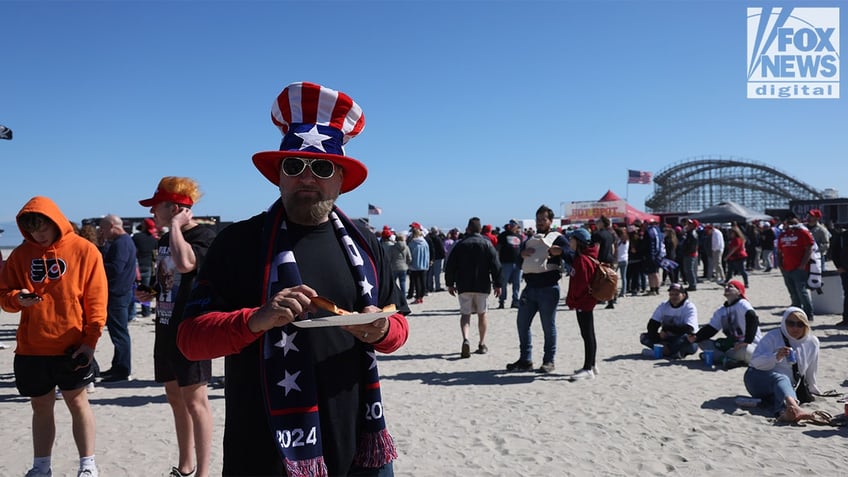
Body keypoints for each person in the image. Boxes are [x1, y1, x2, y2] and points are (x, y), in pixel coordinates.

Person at [175, 81, 409, 476]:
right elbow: (190, 340)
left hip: (358, 440)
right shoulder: (238, 242)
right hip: (266, 449)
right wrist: (255, 319)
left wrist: (382, 330)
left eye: (321, 167)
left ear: (340, 179)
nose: (307, 178)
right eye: (294, 165)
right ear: (278, 175)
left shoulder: (365, 242)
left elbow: (399, 319)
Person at [0, 196, 108, 477]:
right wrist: (17, 299)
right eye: (32, 230)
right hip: (32, 347)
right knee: (40, 406)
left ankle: (88, 466)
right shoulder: (21, 255)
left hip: (71, 345)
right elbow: (4, 296)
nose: (39, 235)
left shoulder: (85, 250)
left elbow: (96, 301)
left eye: (43, 228)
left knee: (78, 402)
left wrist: (90, 342)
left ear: (55, 221)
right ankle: (41, 466)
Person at [136, 177, 217, 477]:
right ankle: (185, 465)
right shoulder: (163, 240)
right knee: (174, 397)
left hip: (191, 330)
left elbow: (186, 265)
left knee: (196, 402)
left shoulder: (204, 236)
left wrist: (176, 229)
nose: (153, 213)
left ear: (174, 209)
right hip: (165, 325)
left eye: (156, 208)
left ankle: (203, 472)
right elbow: (169, 278)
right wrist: (153, 291)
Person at [506, 205, 570, 373]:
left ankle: (549, 361)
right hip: (530, 287)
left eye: (544, 219)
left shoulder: (558, 238)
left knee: (548, 326)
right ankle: (525, 360)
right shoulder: (530, 239)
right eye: (538, 219)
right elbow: (520, 263)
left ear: (550, 221)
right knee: (522, 324)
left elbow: (572, 255)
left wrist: (560, 251)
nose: (540, 222)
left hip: (549, 288)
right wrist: (522, 254)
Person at [744, 307, 820, 422]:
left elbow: (811, 368)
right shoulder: (773, 336)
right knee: (781, 378)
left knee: (782, 388)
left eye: (800, 324)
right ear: (784, 323)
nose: (795, 328)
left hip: (785, 386)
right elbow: (755, 363)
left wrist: (812, 388)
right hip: (756, 378)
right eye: (790, 323)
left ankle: (784, 413)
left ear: (806, 325)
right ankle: (795, 408)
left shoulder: (812, 342)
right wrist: (775, 357)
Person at [444, 217, 502, 358]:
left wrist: (450, 283)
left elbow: (450, 265)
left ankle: (466, 339)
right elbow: (496, 265)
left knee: (465, 315)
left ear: (468, 229)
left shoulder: (461, 244)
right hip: (482, 284)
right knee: (482, 314)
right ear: (480, 229)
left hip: (464, 284)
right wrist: (498, 283)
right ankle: (482, 343)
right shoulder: (487, 244)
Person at [98, 214, 137, 382]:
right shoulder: (122, 242)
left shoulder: (121, 242)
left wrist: (96, 265)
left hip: (118, 293)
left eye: (104, 228)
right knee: (118, 332)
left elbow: (115, 267)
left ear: (113, 226)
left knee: (119, 333)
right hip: (120, 292)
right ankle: (118, 366)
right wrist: (102, 246)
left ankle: (122, 370)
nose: (102, 231)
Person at [689, 280, 762, 368]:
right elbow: (711, 328)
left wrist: (747, 341)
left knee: (747, 351)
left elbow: (752, 317)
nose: (726, 288)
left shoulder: (742, 303)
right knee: (702, 342)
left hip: (749, 345)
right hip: (731, 345)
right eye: (726, 286)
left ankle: (721, 358)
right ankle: (727, 359)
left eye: (731, 286)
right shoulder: (722, 310)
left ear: (739, 292)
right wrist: (697, 336)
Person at [565, 228, 599, 380]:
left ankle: (588, 369)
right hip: (587, 301)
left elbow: (581, 284)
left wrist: (573, 300)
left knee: (587, 334)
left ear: (578, 242)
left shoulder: (582, 260)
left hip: (583, 302)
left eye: (571, 239)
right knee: (589, 333)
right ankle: (592, 364)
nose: (569, 242)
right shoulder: (586, 256)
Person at [639, 283, 699, 359]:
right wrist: (660, 341)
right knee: (644, 337)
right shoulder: (664, 306)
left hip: (683, 337)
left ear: (683, 295)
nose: (674, 297)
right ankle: (670, 352)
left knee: (687, 340)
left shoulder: (689, 307)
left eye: (677, 294)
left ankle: (664, 352)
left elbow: (688, 329)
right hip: (667, 338)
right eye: (671, 294)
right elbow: (652, 325)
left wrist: (667, 329)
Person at [777, 212, 815, 321]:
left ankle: (808, 313)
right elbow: (779, 251)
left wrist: (803, 264)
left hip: (799, 268)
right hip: (786, 267)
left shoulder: (803, 233)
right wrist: (780, 264)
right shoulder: (783, 235)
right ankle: (796, 312)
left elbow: (809, 248)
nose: (789, 224)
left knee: (801, 291)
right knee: (792, 293)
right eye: (787, 222)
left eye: (791, 221)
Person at [131, 217, 158, 318]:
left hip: (136, 266)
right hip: (148, 266)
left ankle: (131, 312)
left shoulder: (136, 237)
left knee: (134, 288)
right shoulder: (153, 239)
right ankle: (146, 311)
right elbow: (155, 254)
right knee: (146, 289)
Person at [496, 219, 523, 309]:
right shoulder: (503, 235)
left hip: (518, 263)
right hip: (505, 263)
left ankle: (515, 301)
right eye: (510, 224)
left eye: (513, 224)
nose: (511, 225)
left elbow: (521, 249)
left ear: (517, 226)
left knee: (517, 283)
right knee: (503, 283)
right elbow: (498, 249)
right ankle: (502, 301)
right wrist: (498, 260)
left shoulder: (519, 236)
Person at [591, 216, 616, 309]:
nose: (596, 222)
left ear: (602, 223)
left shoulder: (597, 235)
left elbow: (596, 247)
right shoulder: (611, 234)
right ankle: (611, 300)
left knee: (599, 281)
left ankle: (599, 298)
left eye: (598, 221)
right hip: (609, 259)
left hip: (600, 259)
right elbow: (613, 248)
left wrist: (594, 259)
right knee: (610, 281)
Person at [383, 231, 411, 299]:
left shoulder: (392, 248)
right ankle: (403, 297)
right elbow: (409, 258)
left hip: (394, 267)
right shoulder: (406, 247)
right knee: (403, 283)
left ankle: (394, 297)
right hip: (403, 267)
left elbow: (389, 258)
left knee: (394, 284)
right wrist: (406, 264)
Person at [407, 227, 430, 304]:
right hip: (424, 264)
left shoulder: (412, 243)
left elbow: (409, 255)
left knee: (417, 282)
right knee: (423, 281)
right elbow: (428, 254)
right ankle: (421, 297)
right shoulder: (425, 242)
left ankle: (418, 297)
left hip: (415, 265)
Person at [680, 218, 699, 291]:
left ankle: (692, 285)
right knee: (689, 269)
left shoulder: (692, 234)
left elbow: (692, 246)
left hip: (690, 254)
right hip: (689, 253)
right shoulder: (690, 233)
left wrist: (686, 251)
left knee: (689, 270)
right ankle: (692, 284)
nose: (688, 225)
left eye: (690, 224)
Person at [615, 227, 629, 298]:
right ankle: (623, 292)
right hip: (625, 259)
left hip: (618, 260)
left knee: (615, 277)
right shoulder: (627, 241)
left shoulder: (618, 241)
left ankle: (615, 291)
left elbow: (616, 250)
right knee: (624, 277)